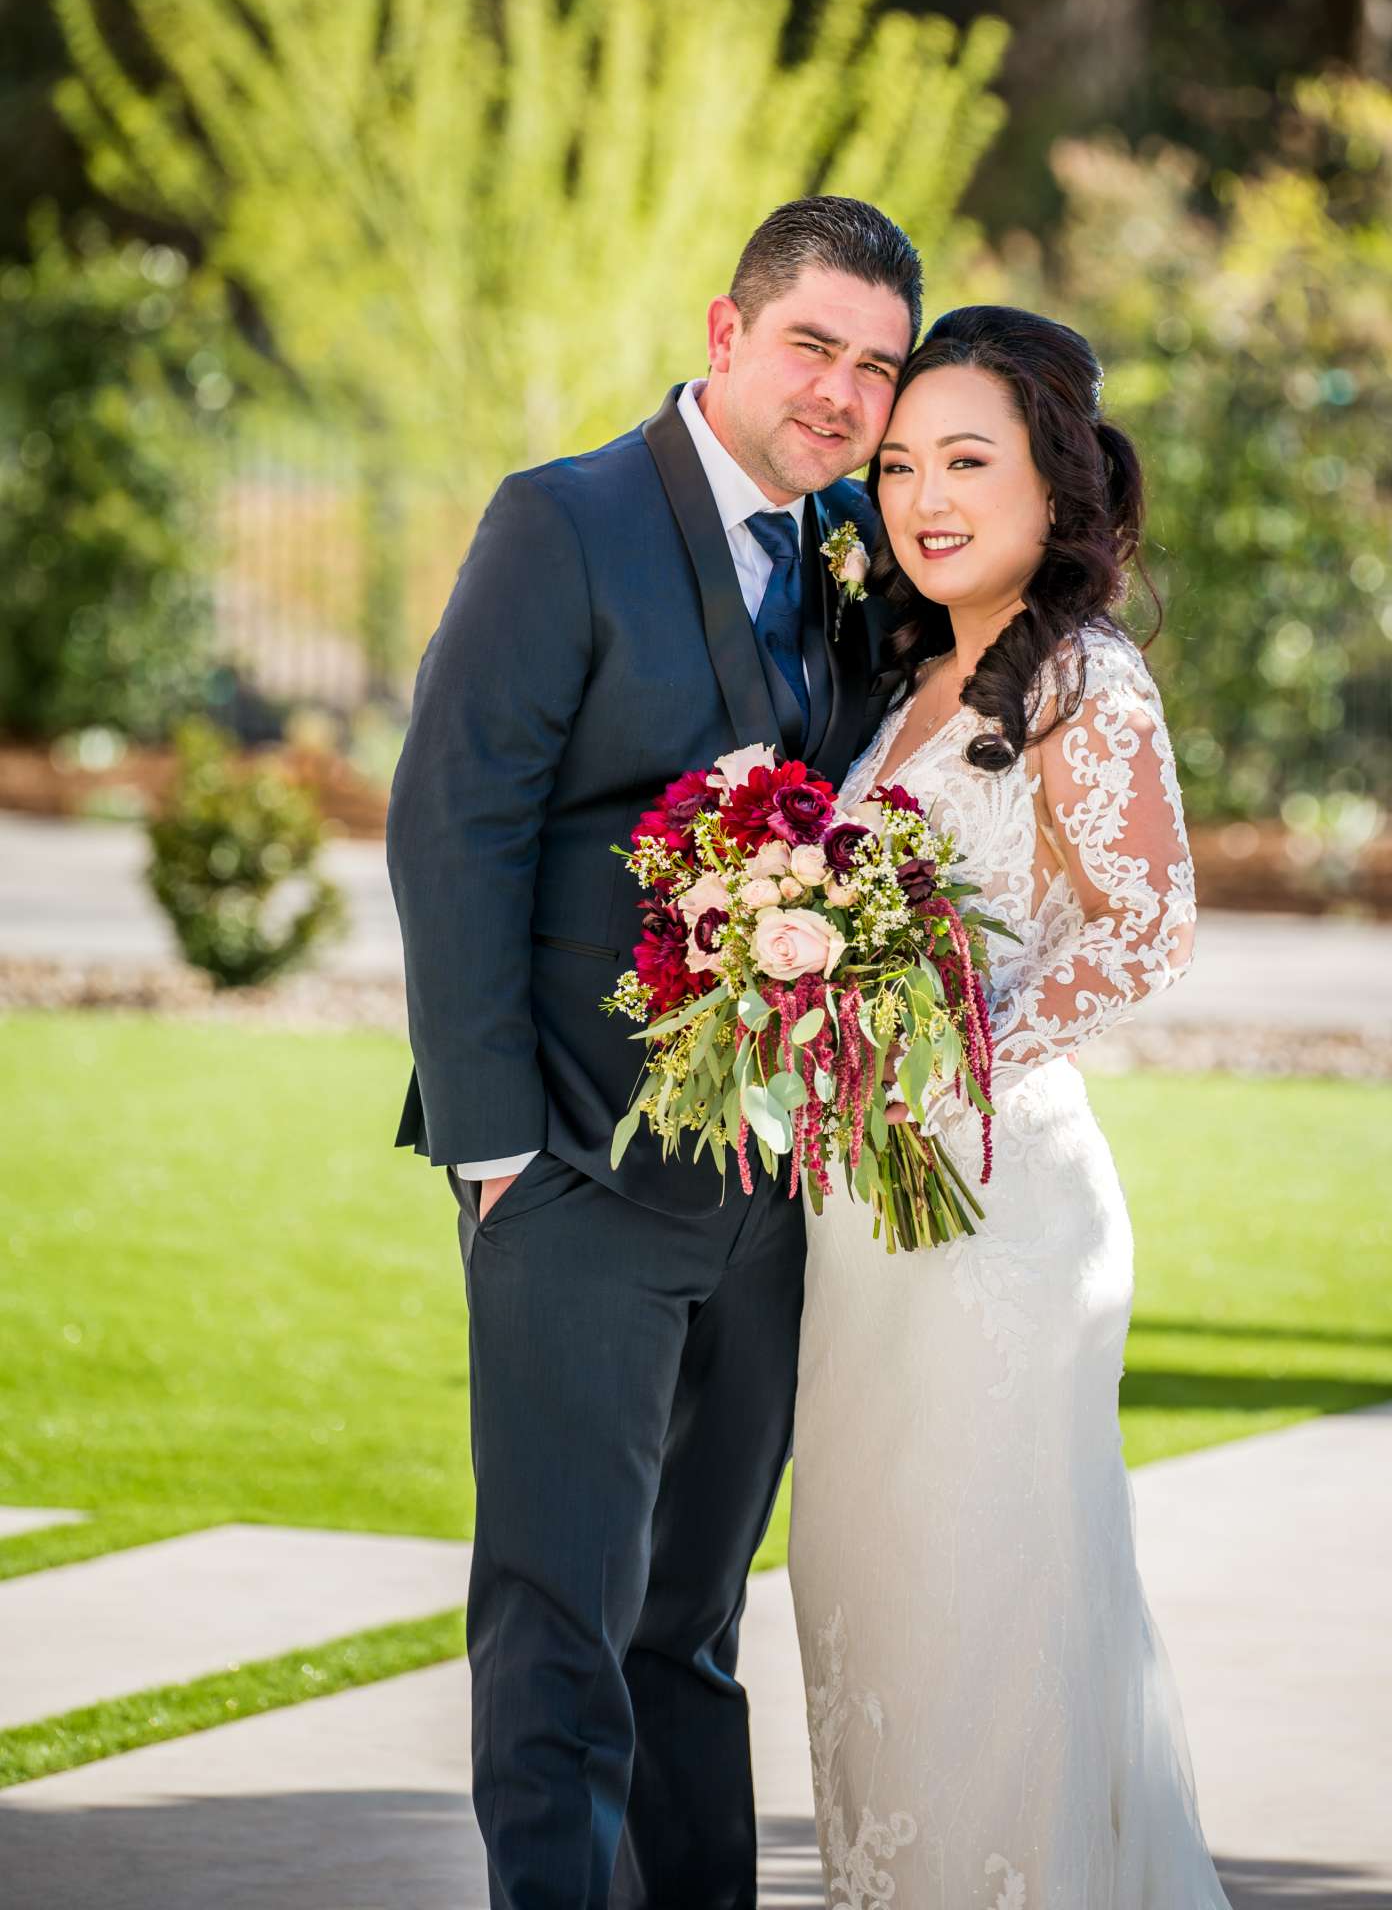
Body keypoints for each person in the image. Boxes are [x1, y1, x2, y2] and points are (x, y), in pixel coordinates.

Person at [386, 196, 918, 1910]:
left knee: (691, 1634)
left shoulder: (855, 549)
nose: (841, 393)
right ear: (724, 336)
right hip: (572, 1173)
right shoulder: (567, 522)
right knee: (560, 1622)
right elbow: (451, 825)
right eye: (812, 346)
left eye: (877, 368)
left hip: (768, 1197)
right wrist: (493, 1156)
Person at [788, 304, 1231, 1907]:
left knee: (985, 1618)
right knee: (869, 1608)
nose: (923, 496)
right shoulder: (905, 676)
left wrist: (950, 1051)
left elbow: (1144, 923)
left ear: (1058, 480)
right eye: (900, 465)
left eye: (966, 459)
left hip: (997, 1223)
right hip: (861, 1226)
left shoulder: (1082, 678)